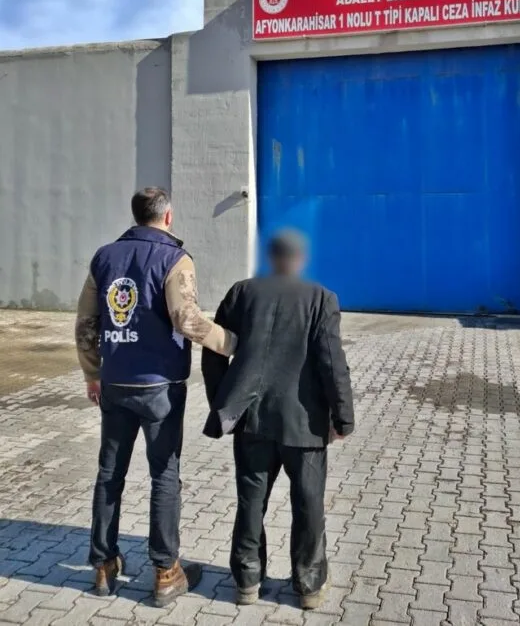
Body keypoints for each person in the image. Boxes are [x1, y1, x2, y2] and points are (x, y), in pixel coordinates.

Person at [75, 187, 237, 607]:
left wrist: (93, 373)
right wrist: (234, 343)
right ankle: (166, 572)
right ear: (167, 217)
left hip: (115, 383)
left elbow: (86, 322)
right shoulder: (174, 258)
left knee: (109, 473)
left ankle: (103, 565)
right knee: (164, 475)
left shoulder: (103, 257)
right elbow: (187, 319)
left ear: (136, 215)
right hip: (160, 387)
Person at [201, 229, 354, 610]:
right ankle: (309, 586)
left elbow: (214, 350)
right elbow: (332, 362)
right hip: (304, 424)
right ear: (300, 259)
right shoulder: (320, 298)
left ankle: (247, 582)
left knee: (251, 501)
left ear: (271, 258)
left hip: (251, 420)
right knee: (308, 503)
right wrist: (343, 417)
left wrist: (223, 403)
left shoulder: (241, 293)